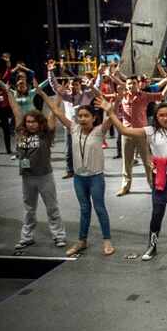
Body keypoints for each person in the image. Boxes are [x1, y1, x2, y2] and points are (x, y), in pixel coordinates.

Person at [103, 95, 167, 260]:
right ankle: (152, 245)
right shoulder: (150, 131)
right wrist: (110, 112)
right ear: (156, 117)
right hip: (160, 179)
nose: (165, 118)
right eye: (161, 115)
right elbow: (124, 130)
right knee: (157, 212)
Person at [36, 89, 115, 256]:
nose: (83, 119)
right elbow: (57, 111)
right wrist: (42, 94)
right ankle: (82, 241)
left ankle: (107, 240)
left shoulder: (100, 131)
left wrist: (109, 107)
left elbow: (111, 116)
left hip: (96, 178)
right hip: (79, 178)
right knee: (84, 209)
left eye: (87, 116)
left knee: (100, 208)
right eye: (81, 116)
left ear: (94, 118)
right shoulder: (73, 129)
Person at [3, 79, 68, 250]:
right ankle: (27, 237)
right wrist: (8, 92)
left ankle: (59, 236)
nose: (30, 124)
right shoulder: (20, 133)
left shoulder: (45, 135)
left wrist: (59, 96)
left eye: (34, 122)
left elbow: (53, 113)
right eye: (28, 122)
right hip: (27, 177)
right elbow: (16, 110)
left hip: (44, 176)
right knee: (29, 210)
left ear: (39, 123)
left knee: (52, 208)